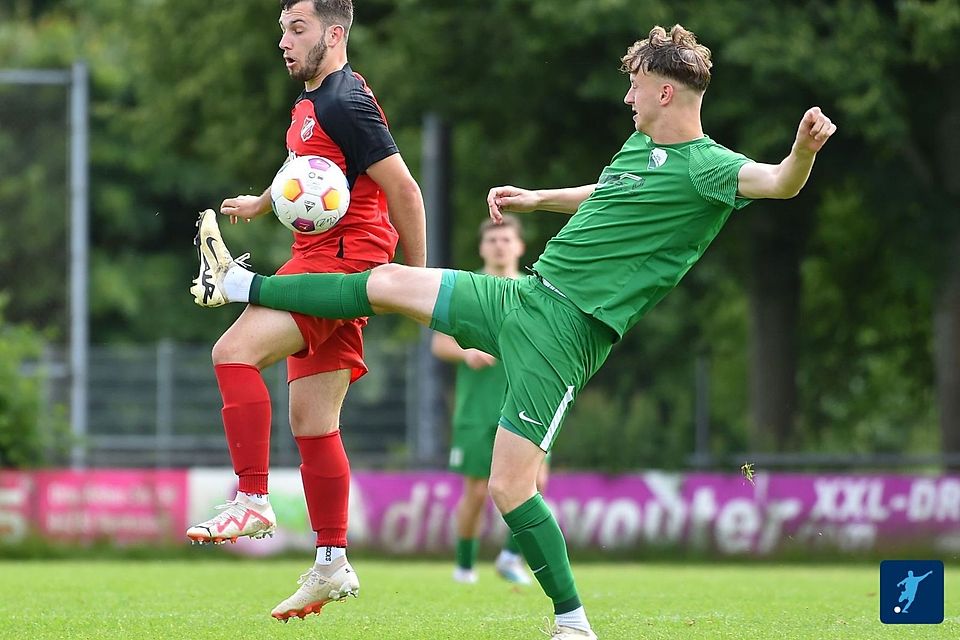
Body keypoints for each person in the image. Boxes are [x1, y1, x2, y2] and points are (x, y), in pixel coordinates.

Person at [191, 24, 836, 639]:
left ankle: (572, 621)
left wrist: (802, 150)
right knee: (385, 281)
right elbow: (611, 192)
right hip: (522, 297)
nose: (627, 95)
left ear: (666, 91)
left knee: (508, 486)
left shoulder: (709, 168)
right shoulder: (644, 149)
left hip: (567, 334)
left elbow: (778, 182)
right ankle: (245, 286)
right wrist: (539, 198)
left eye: (635, 84)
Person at [186, 0, 426, 622]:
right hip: (321, 254)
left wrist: (416, 283)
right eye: (283, 31)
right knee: (313, 423)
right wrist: (266, 202)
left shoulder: (347, 100)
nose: (285, 42)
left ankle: (252, 497)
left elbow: (405, 191)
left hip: (341, 263)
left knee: (232, 352)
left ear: (335, 34)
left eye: (298, 29)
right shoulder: (311, 102)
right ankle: (330, 561)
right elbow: (311, 169)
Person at [431, 216, 549, 586]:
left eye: (506, 239)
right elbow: (439, 342)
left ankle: (511, 558)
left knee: (537, 482)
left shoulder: (534, 291)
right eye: (493, 239)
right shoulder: (471, 288)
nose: (500, 245)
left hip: (526, 402)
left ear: (519, 246)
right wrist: (466, 354)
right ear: (483, 248)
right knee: (478, 491)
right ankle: (465, 566)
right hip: (477, 408)